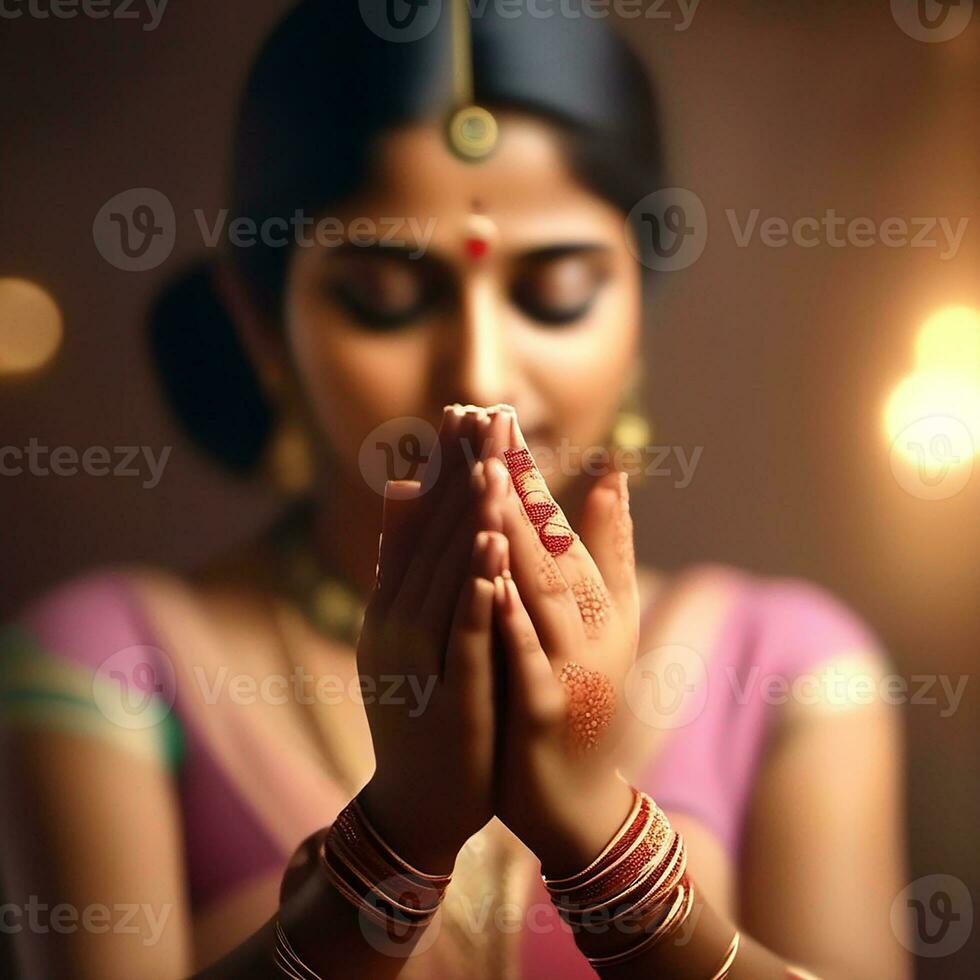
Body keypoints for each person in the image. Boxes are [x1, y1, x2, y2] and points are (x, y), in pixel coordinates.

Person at [0, 2, 910, 978]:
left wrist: (602, 848)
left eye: (555, 294)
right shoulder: (107, 668)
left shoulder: (784, 672)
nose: (478, 376)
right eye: (383, 300)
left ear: (637, 309)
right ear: (259, 322)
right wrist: (393, 842)